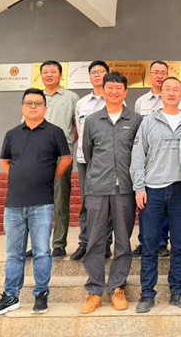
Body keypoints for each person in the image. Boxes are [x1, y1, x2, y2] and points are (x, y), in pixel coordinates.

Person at [0, 89, 72, 315]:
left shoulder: (55, 132)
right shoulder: (12, 134)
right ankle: (11, 296)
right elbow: (5, 161)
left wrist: (49, 178)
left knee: (41, 252)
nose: (33, 106)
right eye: (29, 103)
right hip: (14, 204)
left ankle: (41, 294)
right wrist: (19, 177)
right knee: (14, 253)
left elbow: (66, 159)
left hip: (42, 203)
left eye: (38, 103)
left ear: (45, 108)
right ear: (22, 107)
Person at [80, 72, 143, 314]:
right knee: (95, 241)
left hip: (125, 188)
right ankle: (94, 291)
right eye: (110, 87)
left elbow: (139, 154)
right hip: (98, 188)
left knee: (124, 241)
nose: (114, 91)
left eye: (119, 88)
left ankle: (117, 287)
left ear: (125, 92)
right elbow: (88, 153)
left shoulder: (135, 120)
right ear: (103, 90)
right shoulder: (92, 120)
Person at [131, 77, 181, 313]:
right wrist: (139, 188)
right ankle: (147, 293)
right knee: (150, 244)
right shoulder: (149, 121)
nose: (172, 93)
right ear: (161, 93)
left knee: (180, 243)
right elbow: (138, 156)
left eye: (176, 89)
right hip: (153, 189)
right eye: (168, 89)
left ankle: (178, 290)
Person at [30, 61, 79, 259]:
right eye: (45, 72)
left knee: (60, 201)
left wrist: (65, 146)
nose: (49, 75)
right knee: (36, 202)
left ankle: (59, 244)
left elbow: (77, 128)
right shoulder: (35, 98)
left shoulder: (72, 97)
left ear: (60, 75)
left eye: (53, 71)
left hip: (61, 157)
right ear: (41, 75)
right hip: (36, 158)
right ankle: (37, 245)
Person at [71, 61, 114, 261]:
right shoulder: (81, 103)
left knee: (108, 203)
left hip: (107, 161)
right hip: (84, 160)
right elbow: (79, 131)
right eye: (93, 72)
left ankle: (105, 243)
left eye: (101, 72)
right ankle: (85, 242)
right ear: (89, 77)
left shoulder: (114, 99)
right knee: (87, 201)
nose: (97, 75)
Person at [133, 60, 170, 258]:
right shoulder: (141, 102)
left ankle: (162, 242)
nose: (160, 76)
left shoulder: (174, 98)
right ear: (150, 76)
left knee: (166, 205)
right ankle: (144, 241)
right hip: (148, 159)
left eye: (163, 72)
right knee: (146, 204)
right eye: (156, 72)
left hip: (168, 159)